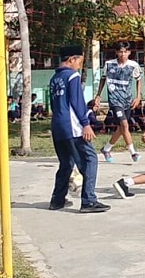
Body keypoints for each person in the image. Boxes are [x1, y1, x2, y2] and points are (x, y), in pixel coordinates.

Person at [48, 45, 110, 213]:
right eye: (79, 61)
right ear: (71, 59)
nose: (79, 66)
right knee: (90, 159)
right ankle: (89, 200)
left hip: (58, 126)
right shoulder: (72, 76)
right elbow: (77, 102)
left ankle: (57, 200)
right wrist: (86, 124)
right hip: (73, 127)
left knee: (66, 163)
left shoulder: (54, 78)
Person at [95, 41, 143, 163]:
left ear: (129, 53)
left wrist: (138, 97)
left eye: (125, 52)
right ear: (116, 52)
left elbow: (138, 80)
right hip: (115, 101)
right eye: (120, 52)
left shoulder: (134, 65)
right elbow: (103, 79)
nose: (123, 54)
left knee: (121, 129)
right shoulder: (109, 64)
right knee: (125, 125)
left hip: (127, 100)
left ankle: (106, 149)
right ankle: (133, 152)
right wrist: (98, 95)